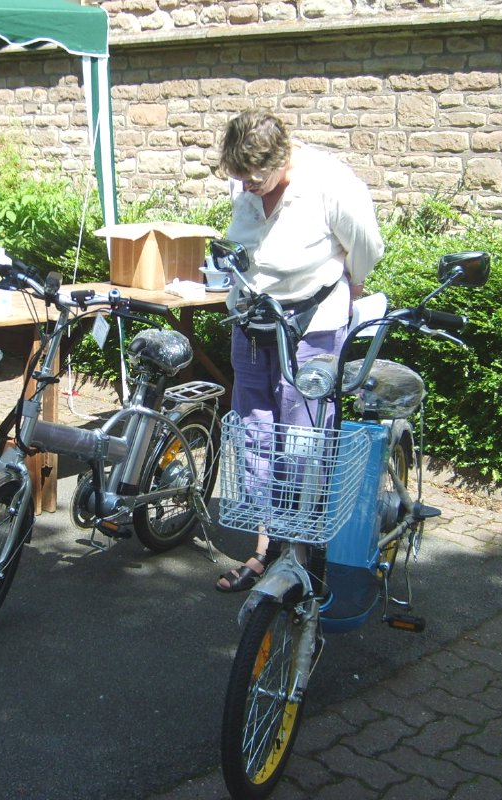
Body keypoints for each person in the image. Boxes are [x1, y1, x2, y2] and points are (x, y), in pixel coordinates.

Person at [215, 110, 384, 592]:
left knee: (304, 440)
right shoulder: (247, 181)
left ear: (283, 157)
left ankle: (302, 554)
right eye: (239, 178)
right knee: (256, 434)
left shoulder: (330, 182)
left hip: (311, 327)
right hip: (252, 323)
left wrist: (350, 287)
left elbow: (365, 248)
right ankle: (267, 549)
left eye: (256, 179)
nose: (247, 188)